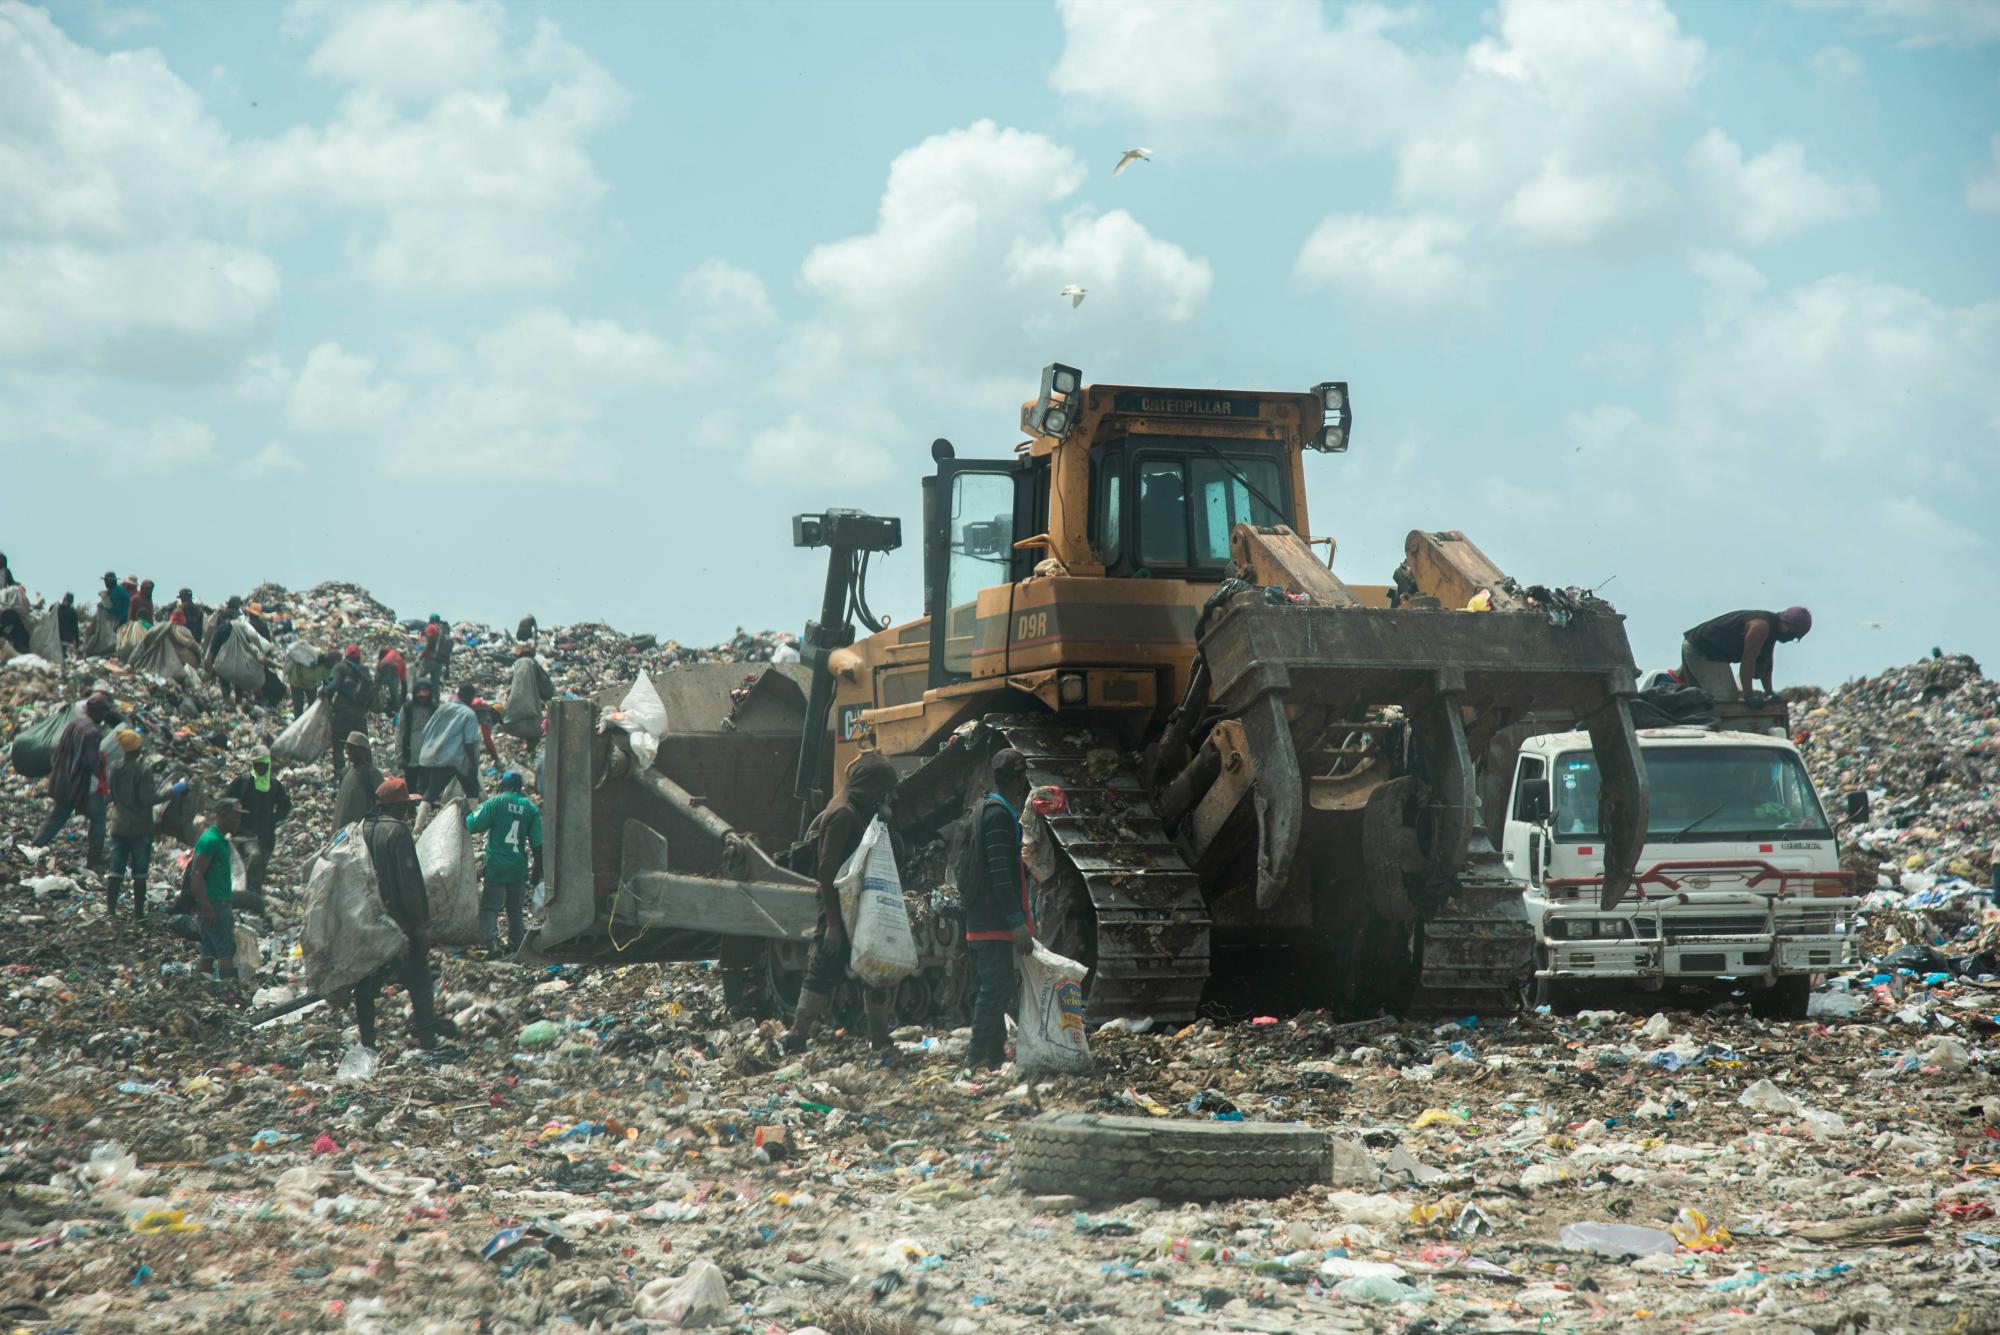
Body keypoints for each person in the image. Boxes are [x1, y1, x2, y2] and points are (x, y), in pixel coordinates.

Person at [782, 750, 900, 1058]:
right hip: (837, 904)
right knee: (824, 967)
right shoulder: (844, 814)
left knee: (873, 971)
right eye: (884, 790)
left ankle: (879, 1039)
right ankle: (797, 1035)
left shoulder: (860, 806)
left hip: (860, 901)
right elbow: (825, 870)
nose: (888, 796)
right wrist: (833, 923)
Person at [960, 749, 1036, 1071]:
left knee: (996, 984)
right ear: (1019, 779)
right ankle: (976, 1054)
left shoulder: (991, 808)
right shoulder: (998, 816)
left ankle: (992, 1054)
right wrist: (1017, 922)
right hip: (992, 920)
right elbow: (1001, 876)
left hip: (984, 917)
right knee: (997, 986)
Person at [354, 778, 441, 1051]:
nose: (409, 810)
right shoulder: (398, 833)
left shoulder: (360, 829)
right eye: (406, 804)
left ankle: (368, 1040)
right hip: (398, 924)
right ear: (398, 805)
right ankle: (427, 1039)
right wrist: (420, 927)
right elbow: (410, 884)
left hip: (368, 922)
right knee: (419, 980)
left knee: (367, 986)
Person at [465, 771, 543, 956]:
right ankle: (517, 946)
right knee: (515, 909)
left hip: (497, 865)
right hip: (518, 867)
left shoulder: (496, 802)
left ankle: (493, 944)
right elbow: (538, 845)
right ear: (519, 787)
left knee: (490, 907)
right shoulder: (530, 808)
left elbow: (472, 824)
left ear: (503, 785)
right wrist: (537, 871)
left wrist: (465, 812)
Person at [35, 691, 114, 869]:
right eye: (103, 712)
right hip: (79, 783)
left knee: (58, 816)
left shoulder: (74, 723)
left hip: (62, 778)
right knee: (99, 817)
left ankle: (35, 846)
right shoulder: (92, 732)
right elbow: (91, 763)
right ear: (96, 712)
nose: (104, 716)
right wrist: (103, 763)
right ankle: (93, 861)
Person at [107, 729, 180, 919]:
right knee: (139, 874)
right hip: (139, 828)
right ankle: (138, 913)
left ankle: (110, 911)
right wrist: (174, 790)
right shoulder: (142, 770)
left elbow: (112, 796)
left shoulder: (114, 768)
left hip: (118, 825)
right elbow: (149, 799)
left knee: (115, 871)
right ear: (137, 750)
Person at [1680, 607, 1813, 702]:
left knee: (1698, 699)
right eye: (1794, 635)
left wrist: (1769, 691)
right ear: (1787, 625)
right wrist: (1748, 694)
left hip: (1699, 647)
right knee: (1726, 699)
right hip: (1701, 650)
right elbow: (1748, 660)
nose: (1791, 638)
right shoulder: (1760, 627)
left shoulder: (1772, 630)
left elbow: (1766, 663)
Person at [186, 798, 244, 985]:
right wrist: (206, 906)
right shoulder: (210, 840)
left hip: (215, 905)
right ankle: (231, 994)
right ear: (222, 815)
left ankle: (202, 988)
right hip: (215, 905)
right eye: (235, 816)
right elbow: (196, 875)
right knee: (226, 952)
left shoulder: (221, 841)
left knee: (208, 952)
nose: (238, 821)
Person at [222, 750, 291, 898]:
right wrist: (238, 825)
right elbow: (225, 803)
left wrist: (273, 819)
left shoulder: (273, 785)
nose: (260, 768)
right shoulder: (243, 782)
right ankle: (245, 895)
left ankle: (252, 897)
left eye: (263, 765)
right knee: (251, 859)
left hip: (266, 836)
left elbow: (285, 805)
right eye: (257, 765)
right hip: (244, 834)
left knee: (259, 868)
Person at [417, 683, 483, 803]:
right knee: (472, 792)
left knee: (431, 793)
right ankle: (474, 820)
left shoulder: (443, 708)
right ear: (470, 697)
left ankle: (418, 822)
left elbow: (427, 730)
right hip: (458, 760)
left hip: (439, 758)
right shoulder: (469, 714)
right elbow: (469, 743)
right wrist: (473, 764)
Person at [323, 645, 374, 778]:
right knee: (363, 744)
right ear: (359, 657)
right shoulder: (364, 671)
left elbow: (333, 687)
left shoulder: (341, 667)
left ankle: (341, 775)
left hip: (342, 714)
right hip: (359, 716)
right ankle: (368, 773)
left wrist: (325, 697)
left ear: (346, 655)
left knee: (339, 745)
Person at [503, 644, 555, 751]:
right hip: (531, 712)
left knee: (531, 730)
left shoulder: (518, 665)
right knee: (535, 730)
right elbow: (547, 690)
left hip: (514, 713)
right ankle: (532, 753)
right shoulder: (532, 664)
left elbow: (511, 687)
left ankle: (530, 752)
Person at [332, 731, 383, 832]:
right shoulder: (346, 771)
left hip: (358, 828)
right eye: (347, 747)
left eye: (353, 748)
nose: (348, 751)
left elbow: (382, 800)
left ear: (363, 751)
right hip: (341, 827)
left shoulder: (371, 773)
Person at [398, 679, 438, 790]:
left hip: (427, 754)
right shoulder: (407, 709)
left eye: (425, 695)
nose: (422, 698)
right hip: (410, 755)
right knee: (410, 787)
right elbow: (400, 732)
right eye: (420, 695)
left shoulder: (434, 709)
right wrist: (399, 756)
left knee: (425, 787)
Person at [286, 646, 334, 719]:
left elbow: (327, 683)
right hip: (296, 680)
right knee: (299, 704)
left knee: (310, 704)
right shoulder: (318, 664)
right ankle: (299, 723)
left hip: (307, 683)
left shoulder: (327, 669)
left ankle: (308, 721)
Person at [375, 646, 408, 720]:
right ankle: (398, 711)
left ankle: (376, 709)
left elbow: (382, 650)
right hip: (394, 670)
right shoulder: (402, 663)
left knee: (375, 689)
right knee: (394, 693)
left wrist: (379, 660)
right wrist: (403, 701)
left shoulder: (392, 651)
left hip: (382, 665)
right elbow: (404, 684)